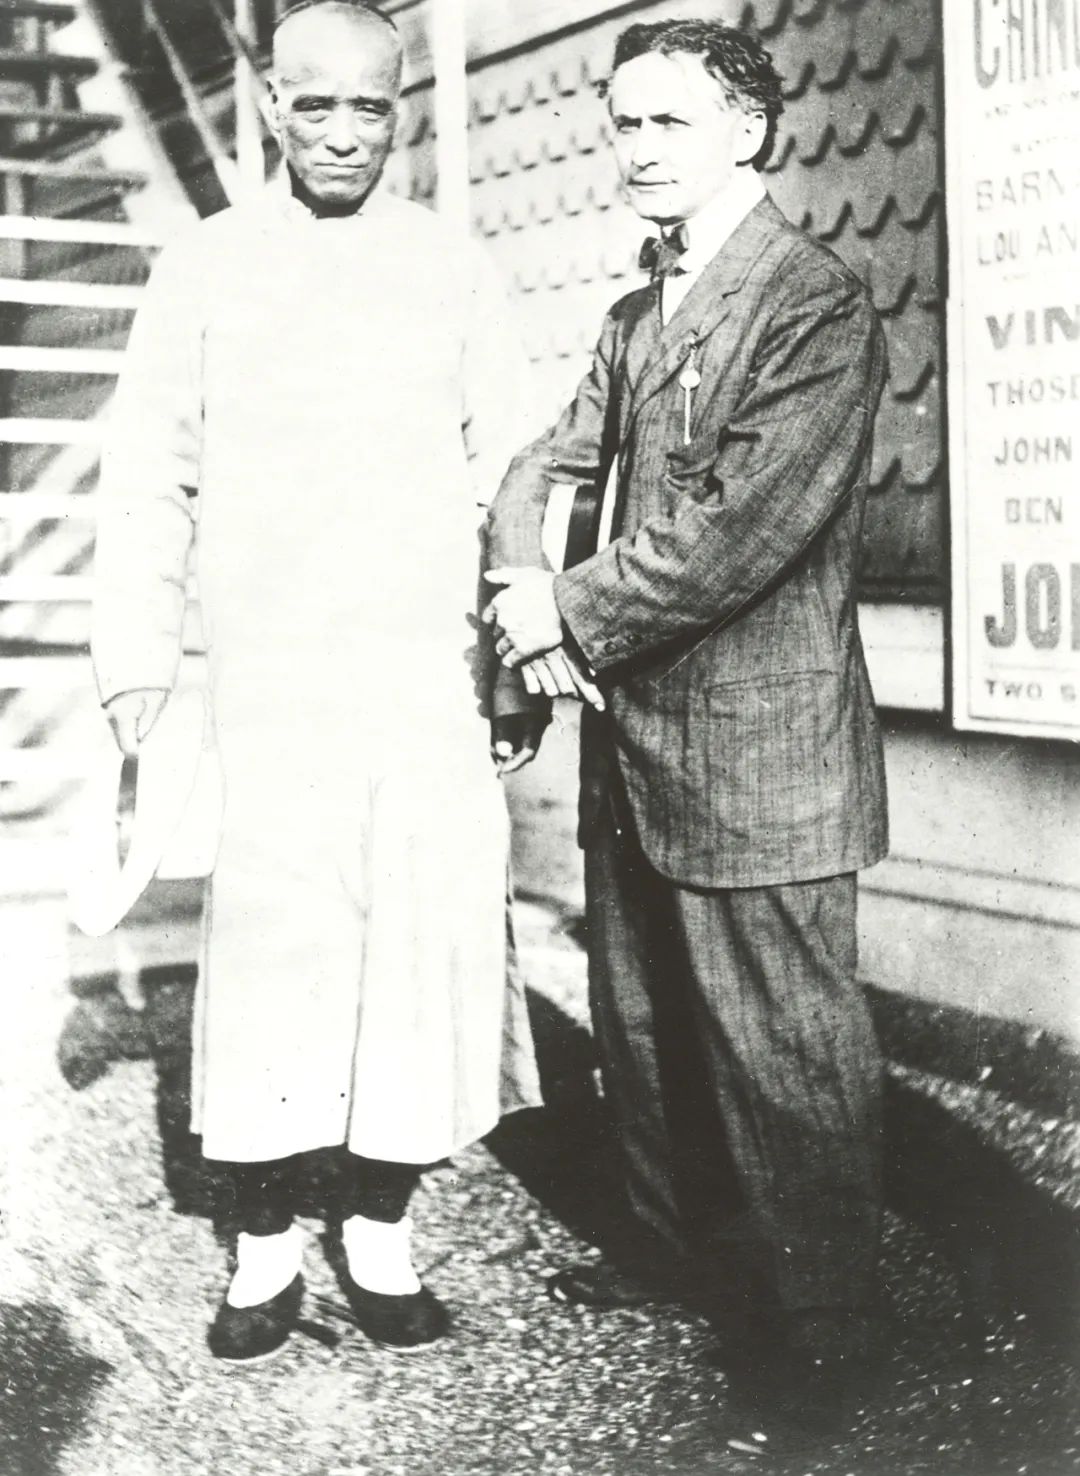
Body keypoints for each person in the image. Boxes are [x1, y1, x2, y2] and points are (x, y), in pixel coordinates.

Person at [91, 0, 541, 1365]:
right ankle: (268, 1242)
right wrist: (137, 661)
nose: (343, 132)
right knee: (278, 957)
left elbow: (513, 476)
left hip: (424, 678)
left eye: (371, 106)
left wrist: (517, 666)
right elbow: (147, 475)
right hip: (275, 683)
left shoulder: (453, 268)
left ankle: (382, 1229)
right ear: (272, 105)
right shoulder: (208, 269)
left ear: (401, 111)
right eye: (316, 104)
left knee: (419, 946)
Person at [483, 18, 889, 1436]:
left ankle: (828, 1333)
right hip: (639, 740)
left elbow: (737, 533)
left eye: (668, 122)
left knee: (786, 1053)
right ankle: (672, 1253)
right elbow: (543, 465)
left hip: (761, 746)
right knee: (646, 1022)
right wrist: (520, 595)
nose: (638, 147)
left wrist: (559, 613)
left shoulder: (811, 302)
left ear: (748, 133)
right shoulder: (633, 314)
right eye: (623, 122)